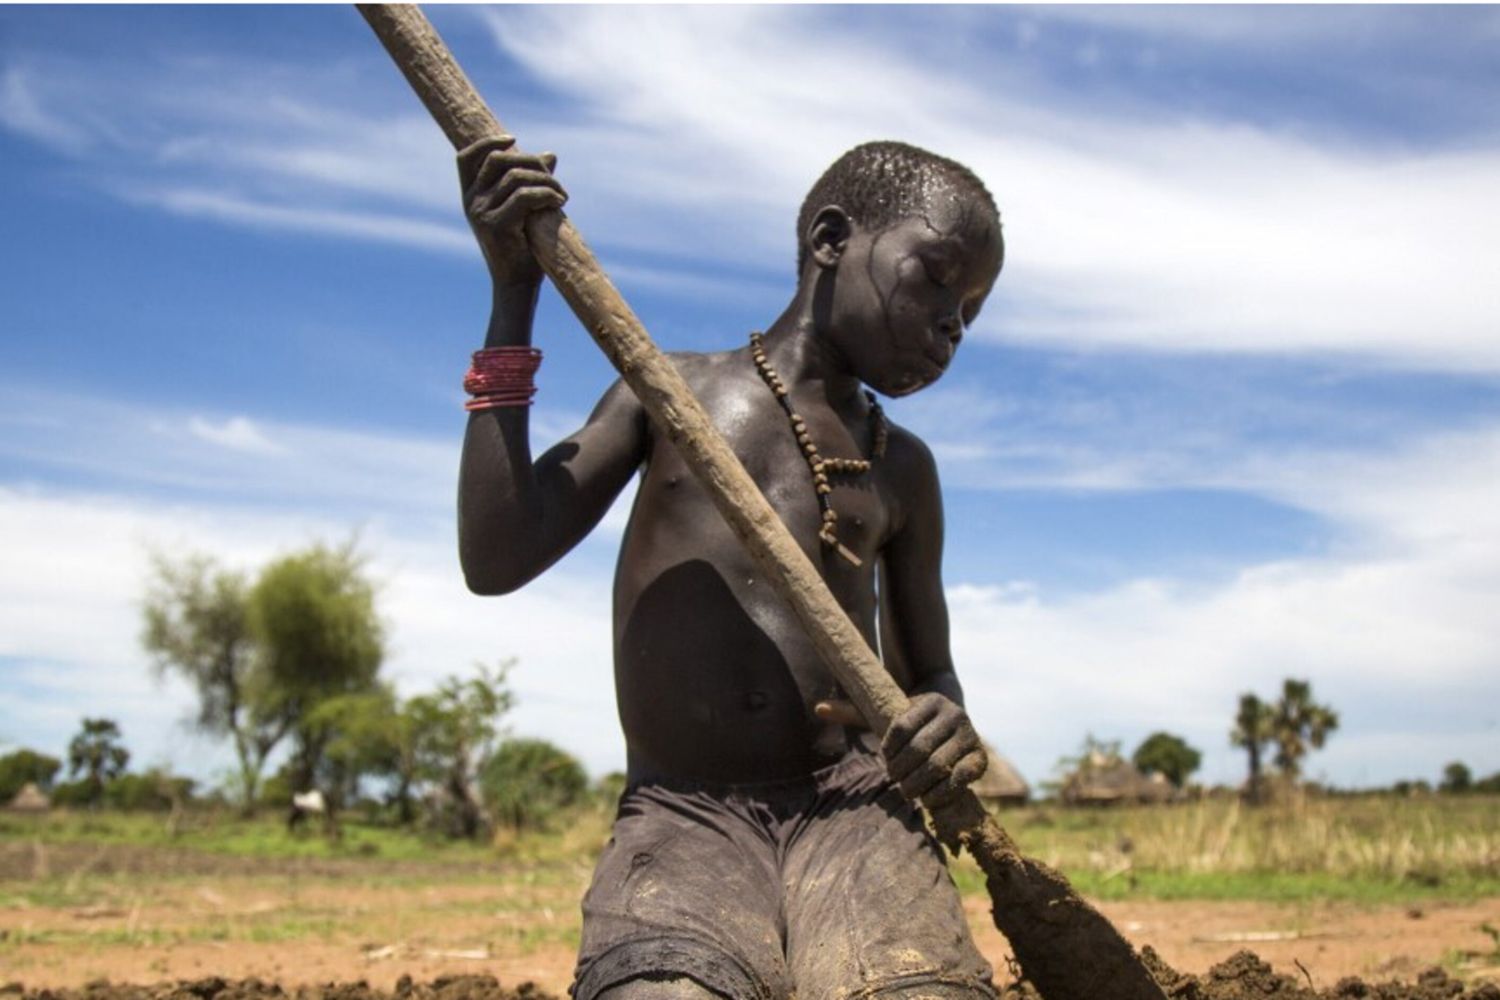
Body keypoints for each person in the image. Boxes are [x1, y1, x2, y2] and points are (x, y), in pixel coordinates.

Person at [456, 137, 1005, 1000]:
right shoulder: (667, 389)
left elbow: (927, 671)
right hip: (683, 817)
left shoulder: (903, 468)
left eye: (971, 310)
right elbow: (496, 555)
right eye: (938, 276)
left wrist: (947, 720)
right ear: (831, 240)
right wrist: (513, 293)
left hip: (856, 814)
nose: (954, 324)